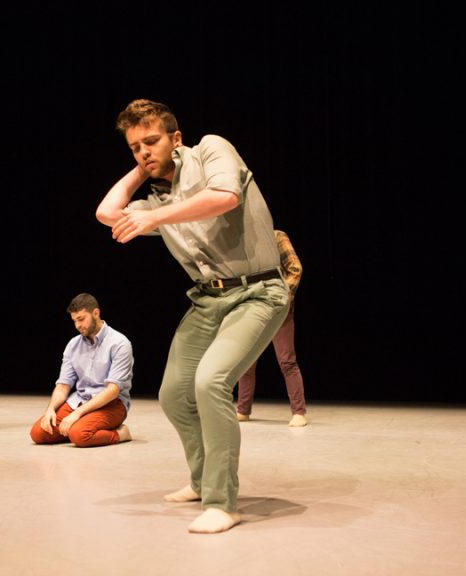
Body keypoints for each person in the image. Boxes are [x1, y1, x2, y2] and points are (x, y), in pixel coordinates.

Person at [96, 99, 289, 533]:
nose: (144, 151)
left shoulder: (211, 150)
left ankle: (223, 502)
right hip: (207, 300)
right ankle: (202, 481)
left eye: (152, 141)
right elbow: (107, 213)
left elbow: (225, 196)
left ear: (176, 138)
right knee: (173, 394)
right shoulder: (156, 197)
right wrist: (143, 171)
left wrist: (156, 218)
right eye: (134, 147)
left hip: (258, 291)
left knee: (211, 382)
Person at [29, 293, 134, 447]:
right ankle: (78, 427)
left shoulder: (119, 343)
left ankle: (120, 434)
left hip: (112, 404)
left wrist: (77, 414)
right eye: (74, 321)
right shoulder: (73, 345)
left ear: (96, 313)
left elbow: (112, 391)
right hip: (80, 400)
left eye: (81, 319)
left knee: (80, 435)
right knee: (38, 433)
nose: (78, 325)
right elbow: (63, 385)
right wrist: (50, 409)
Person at [236, 230, 308, 427]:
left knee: (286, 360)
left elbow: (295, 268)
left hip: (278, 308)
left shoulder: (276, 236)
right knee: (246, 362)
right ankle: (243, 409)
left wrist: (283, 297)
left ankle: (298, 411)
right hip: (253, 308)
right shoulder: (245, 241)